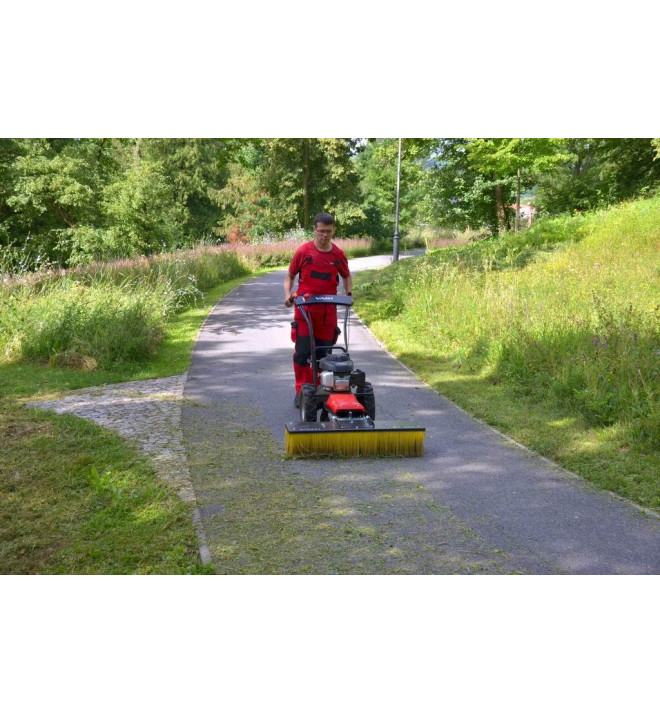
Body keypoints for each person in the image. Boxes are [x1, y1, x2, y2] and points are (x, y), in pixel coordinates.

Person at [284, 212, 353, 407]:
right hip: (305, 311)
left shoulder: (338, 255)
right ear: (314, 230)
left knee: (324, 354)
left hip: (327, 313)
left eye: (328, 231)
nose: (324, 235)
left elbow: (346, 276)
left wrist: (349, 294)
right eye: (321, 231)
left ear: (333, 230)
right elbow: (290, 276)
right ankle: (302, 391)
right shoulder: (304, 252)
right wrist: (287, 295)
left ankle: (321, 390)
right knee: (302, 353)